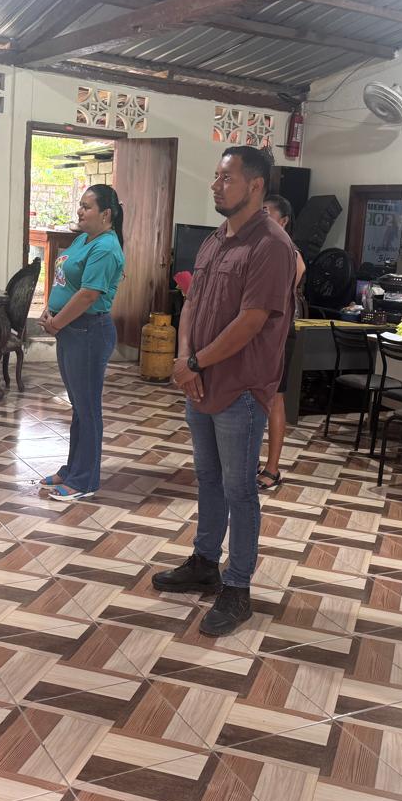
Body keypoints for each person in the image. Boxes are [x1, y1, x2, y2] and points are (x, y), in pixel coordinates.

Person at [151, 146, 296, 637]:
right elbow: (192, 304)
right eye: (215, 176)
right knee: (208, 479)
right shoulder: (216, 239)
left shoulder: (271, 246)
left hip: (239, 389)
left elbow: (252, 321)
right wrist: (185, 361)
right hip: (200, 383)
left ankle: (238, 588)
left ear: (255, 185)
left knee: (240, 490)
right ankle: (204, 562)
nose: (215, 185)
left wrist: (195, 362)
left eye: (226, 178)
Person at [39, 184, 126, 502]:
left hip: (89, 332)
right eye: (80, 205)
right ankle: (73, 468)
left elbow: (89, 294)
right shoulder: (82, 239)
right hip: (70, 330)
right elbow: (65, 280)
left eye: (87, 206)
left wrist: (57, 322)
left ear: (106, 214)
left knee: (88, 409)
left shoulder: (106, 247)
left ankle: (85, 480)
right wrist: (50, 309)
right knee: (79, 406)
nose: (80, 210)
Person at [257, 195, 307, 493]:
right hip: (255, 335)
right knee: (252, 398)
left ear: (284, 221)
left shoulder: (290, 251)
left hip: (279, 335)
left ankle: (272, 469)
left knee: (275, 399)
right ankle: (249, 459)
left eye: (266, 212)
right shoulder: (260, 247)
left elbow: (291, 279)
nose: (260, 216)